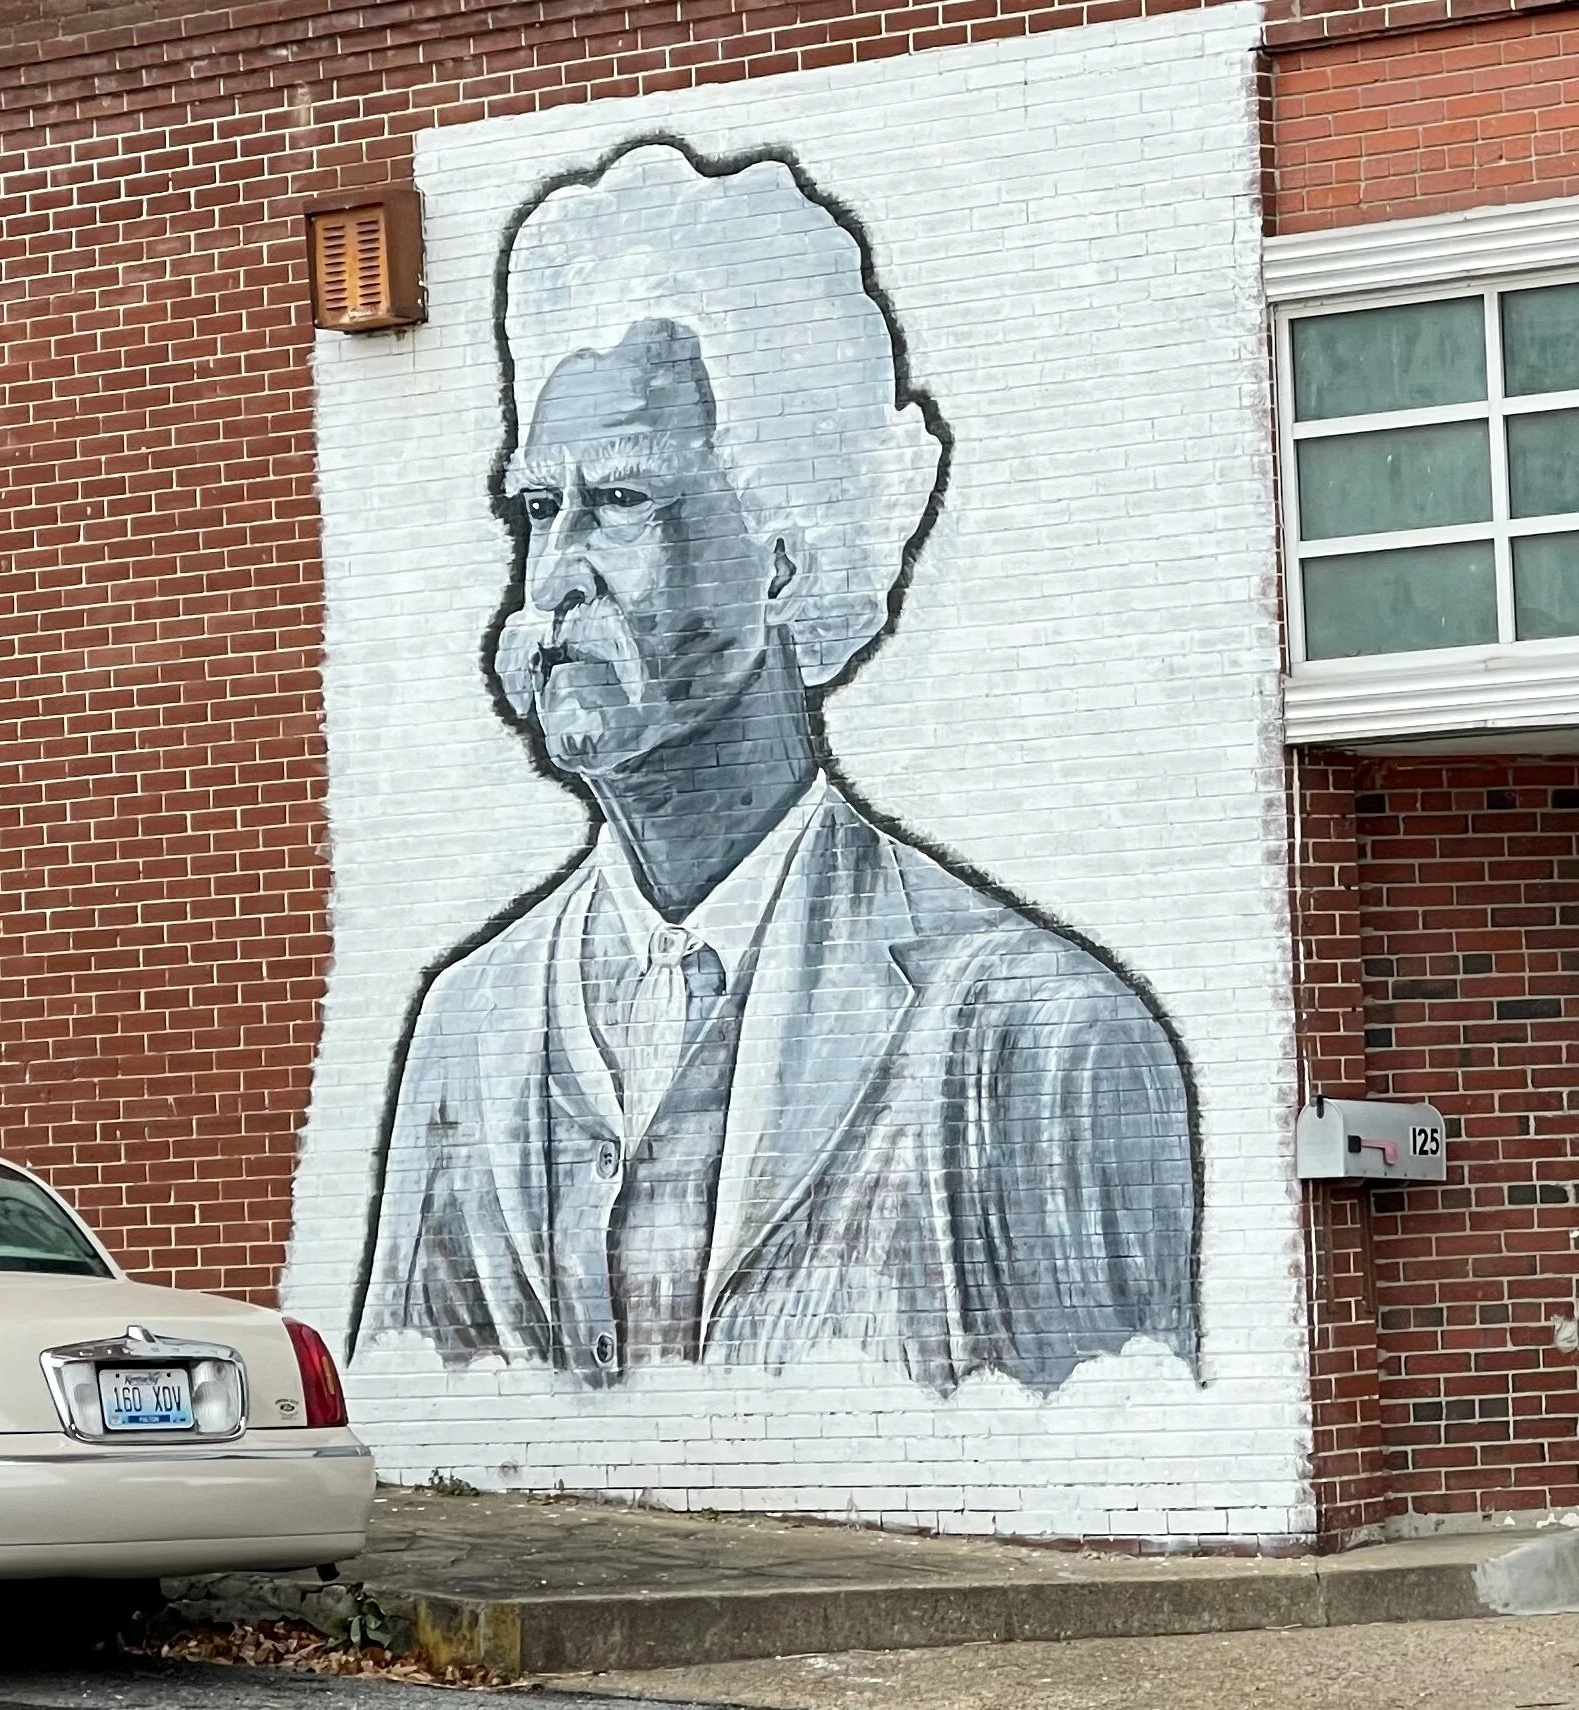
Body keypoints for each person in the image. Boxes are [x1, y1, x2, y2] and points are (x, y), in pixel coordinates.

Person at [352, 142, 1196, 1396]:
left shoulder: (1043, 1037)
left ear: (790, 555)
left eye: (624, 501)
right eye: (540, 509)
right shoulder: (466, 1022)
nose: (556, 576)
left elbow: (1122, 1444)